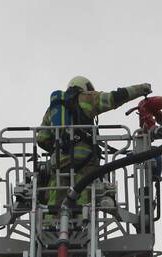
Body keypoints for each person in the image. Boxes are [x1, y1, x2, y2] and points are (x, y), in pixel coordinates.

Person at [36, 76, 151, 207]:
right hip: (84, 162)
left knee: (54, 205)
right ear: (86, 87)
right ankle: (82, 224)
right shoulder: (86, 97)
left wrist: (62, 146)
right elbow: (114, 98)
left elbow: (42, 139)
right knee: (81, 205)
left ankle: (53, 223)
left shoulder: (53, 108)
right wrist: (141, 89)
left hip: (58, 163)